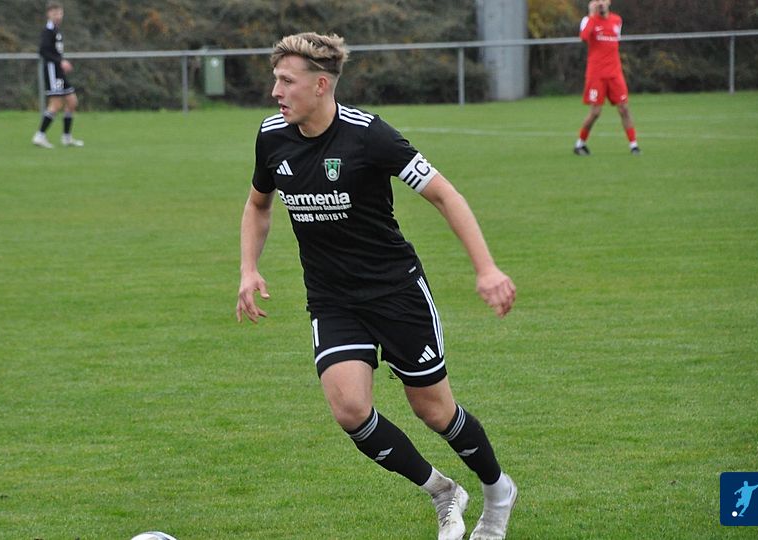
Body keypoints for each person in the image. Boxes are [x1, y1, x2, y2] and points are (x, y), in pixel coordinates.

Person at [235, 33, 518, 540]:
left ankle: (498, 491)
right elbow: (258, 204)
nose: (275, 91)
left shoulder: (369, 136)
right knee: (349, 409)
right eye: (275, 79)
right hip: (332, 299)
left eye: (286, 81)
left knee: (433, 410)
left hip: (395, 293)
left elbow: (445, 195)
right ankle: (442, 491)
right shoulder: (272, 136)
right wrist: (248, 269)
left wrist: (487, 269)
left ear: (320, 85)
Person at [573, 0, 640, 156]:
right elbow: (584, 37)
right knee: (595, 112)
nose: (601, 3)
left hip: (615, 73)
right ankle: (580, 144)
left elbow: (615, 43)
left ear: (609, 2)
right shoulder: (588, 20)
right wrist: (591, 15)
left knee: (624, 108)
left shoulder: (617, 20)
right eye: (598, 0)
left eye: (603, 0)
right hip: (596, 74)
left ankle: (634, 146)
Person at [32, 1, 84, 149]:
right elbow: (43, 51)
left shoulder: (56, 30)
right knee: (56, 104)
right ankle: (39, 136)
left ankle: (67, 138)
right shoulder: (48, 30)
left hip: (59, 71)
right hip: (52, 71)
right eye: (55, 13)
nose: (58, 16)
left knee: (72, 102)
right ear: (48, 14)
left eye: (60, 13)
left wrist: (61, 63)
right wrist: (60, 61)